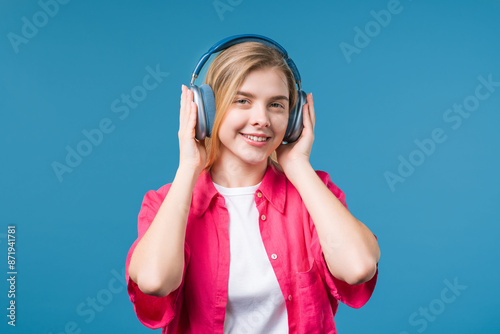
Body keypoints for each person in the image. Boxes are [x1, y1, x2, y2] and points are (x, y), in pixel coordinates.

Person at [126, 35, 380, 333]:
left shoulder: (314, 193)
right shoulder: (166, 203)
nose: (262, 119)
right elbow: (155, 281)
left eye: (276, 105)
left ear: (294, 117)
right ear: (207, 110)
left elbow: (358, 267)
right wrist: (188, 167)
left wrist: (298, 165)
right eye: (243, 100)